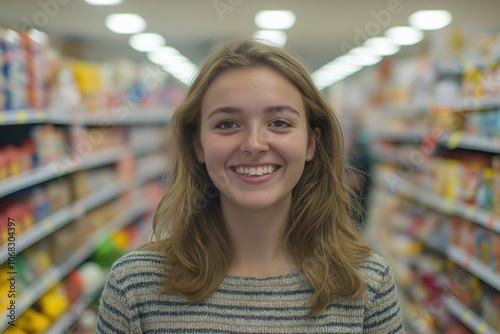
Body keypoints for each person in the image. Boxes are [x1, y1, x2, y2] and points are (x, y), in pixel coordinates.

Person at [96, 40, 404, 333]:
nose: (254, 144)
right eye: (227, 124)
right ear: (197, 145)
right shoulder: (135, 287)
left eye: (280, 123)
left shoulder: (366, 284)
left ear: (312, 142)